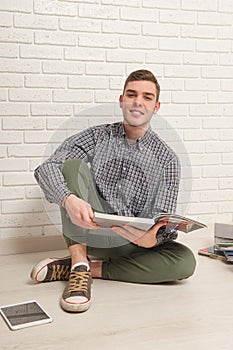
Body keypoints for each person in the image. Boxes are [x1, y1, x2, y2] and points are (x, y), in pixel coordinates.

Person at [31, 69, 196, 313]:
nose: (138, 101)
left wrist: (152, 238)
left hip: (132, 244)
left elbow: (163, 219)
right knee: (72, 165)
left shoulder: (168, 160)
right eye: (132, 94)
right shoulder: (98, 136)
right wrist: (68, 199)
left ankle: (86, 269)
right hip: (88, 231)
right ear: (122, 100)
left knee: (185, 262)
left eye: (147, 97)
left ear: (156, 106)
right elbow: (48, 167)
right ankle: (79, 264)